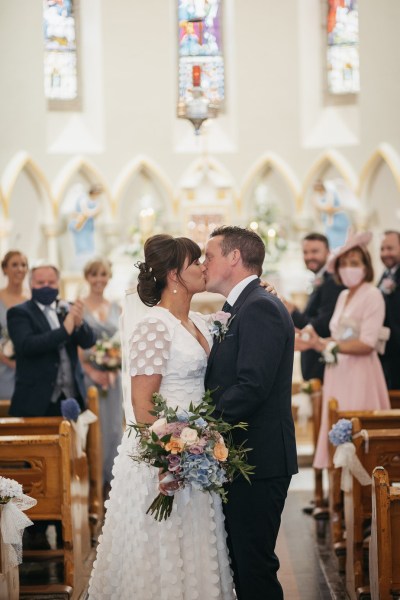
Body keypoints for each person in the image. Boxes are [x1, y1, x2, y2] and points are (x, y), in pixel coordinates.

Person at [88, 235, 235, 599]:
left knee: (197, 543)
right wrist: (172, 456)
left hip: (199, 451)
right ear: (174, 275)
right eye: (195, 262)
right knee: (165, 547)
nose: (203, 267)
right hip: (164, 456)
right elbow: (143, 406)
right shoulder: (154, 326)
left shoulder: (201, 323)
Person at [203, 226, 298, 600]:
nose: (202, 263)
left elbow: (252, 386)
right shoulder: (242, 306)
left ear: (234, 257)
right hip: (244, 457)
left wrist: (199, 424)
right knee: (242, 565)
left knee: (255, 568)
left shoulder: (259, 306)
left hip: (259, 459)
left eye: (208, 255)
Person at [296, 231, 390, 470]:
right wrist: (315, 343)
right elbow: (335, 338)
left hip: (361, 372)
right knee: (337, 428)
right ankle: (341, 500)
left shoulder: (373, 295)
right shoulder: (344, 296)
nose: (349, 268)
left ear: (365, 266)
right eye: (344, 264)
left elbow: (367, 342)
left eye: (355, 263)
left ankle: (364, 498)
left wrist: (330, 345)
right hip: (337, 371)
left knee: (358, 435)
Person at [7, 264, 96, 417]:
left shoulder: (67, 307)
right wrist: (64, 331)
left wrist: (79, 323)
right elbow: (26, 346)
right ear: (31, 284)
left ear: (58, 284)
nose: (46, 287)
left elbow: (88, 342)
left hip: (72, 397)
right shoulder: (19, 313)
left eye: (51, 282)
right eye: (41, 283)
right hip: (37, 402)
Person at [79, 258, 123, 499]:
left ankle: (111, 489)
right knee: (96, 431)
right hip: (90, 380)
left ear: (109, 277)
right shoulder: (79, 305)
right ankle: (93, 486)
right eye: (94, 274)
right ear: (87, 277)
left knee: (115, 429)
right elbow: (75, 345)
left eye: (103, 274)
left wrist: (114, 366)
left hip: (112, 382)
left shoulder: (116, 307)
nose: (99, 279)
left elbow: (122, 343)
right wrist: (91, 370)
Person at [284, 232, 344, 381]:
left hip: (322, 362)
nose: (309, 256)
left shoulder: (332, 282)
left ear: (328, 252)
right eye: (306, 252)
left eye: (315, 251)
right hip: (313, 360)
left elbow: (323, 324)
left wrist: (293, 312)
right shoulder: (319, 279)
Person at [0, 250, 29, 400]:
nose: (20, 269)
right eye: (15, 265)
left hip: (29, 367)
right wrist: (7, 359)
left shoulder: (31, 299)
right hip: (2, 368)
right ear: (5, 269)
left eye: (23, 265)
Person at [377, 230, 400, 390]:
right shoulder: (385, 275)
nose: (386, 253)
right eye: (382, 249)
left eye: (390, 248)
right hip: (388, 352)